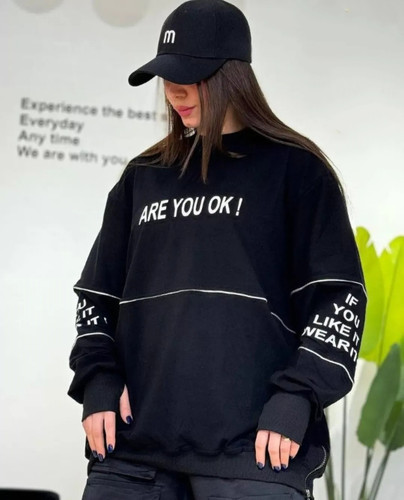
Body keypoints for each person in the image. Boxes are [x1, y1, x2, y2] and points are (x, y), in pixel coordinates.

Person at [68, 1, 368, 499]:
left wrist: (298, 396)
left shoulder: (297, 171)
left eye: (191, 75)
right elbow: (96, 297)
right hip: (133, 453)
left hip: (255, 455)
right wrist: (98, 379)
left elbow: (338, 298)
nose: (174, 91)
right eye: (167, 77)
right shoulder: (142, 178)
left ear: (233, 75)